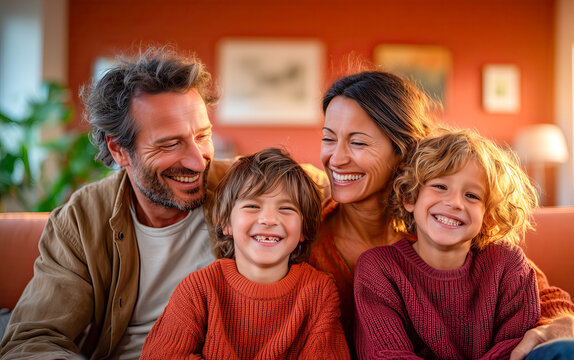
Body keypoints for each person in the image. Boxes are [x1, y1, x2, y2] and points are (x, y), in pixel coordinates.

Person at [308, 70, 574, 359]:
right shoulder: (304, 237)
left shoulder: (439, 226)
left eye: (358, 142)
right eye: (328, 138)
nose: (336, 158)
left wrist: (569, 323)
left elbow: (542, 297)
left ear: (405, 151)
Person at [0, 47, 223, 359]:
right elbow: (32, 340)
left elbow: (315, 185)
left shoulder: (249, 189)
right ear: (119, 150)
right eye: (170, 144)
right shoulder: (81, 219)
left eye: (202, 136)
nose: (198, 162)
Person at [140, 147, 349, 359]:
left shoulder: (319, 293)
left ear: (305, 229)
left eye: (286, 209)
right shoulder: (199, 289)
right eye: (252, 206)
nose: (268, 219)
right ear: (225, 223)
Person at [354, 129, 541, 359]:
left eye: (472, 196)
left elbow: (518, 348)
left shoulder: (507, 263)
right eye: (440, 187)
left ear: (488, 217)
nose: (454, 203)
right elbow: (387, 354)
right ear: (410, 197)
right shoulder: (379, 268)